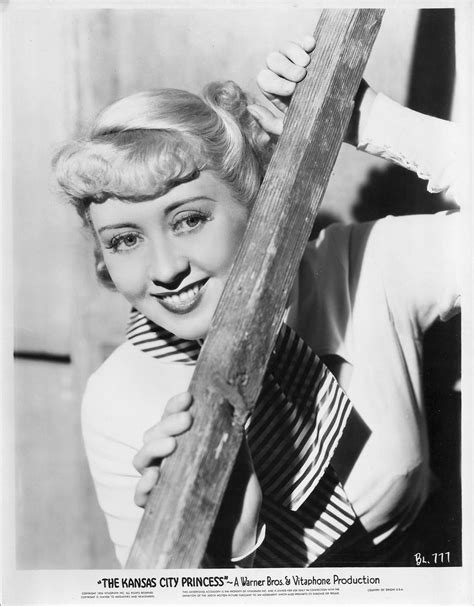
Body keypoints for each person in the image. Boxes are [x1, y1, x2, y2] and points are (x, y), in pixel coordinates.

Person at [53, 35, 462, 568]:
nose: (165, 270)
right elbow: (153, 596)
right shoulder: (116, 395)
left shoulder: (366, 268)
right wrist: (225, 549)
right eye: (125, 240)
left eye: (190, 220)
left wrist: (378, 121)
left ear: (258, 202)